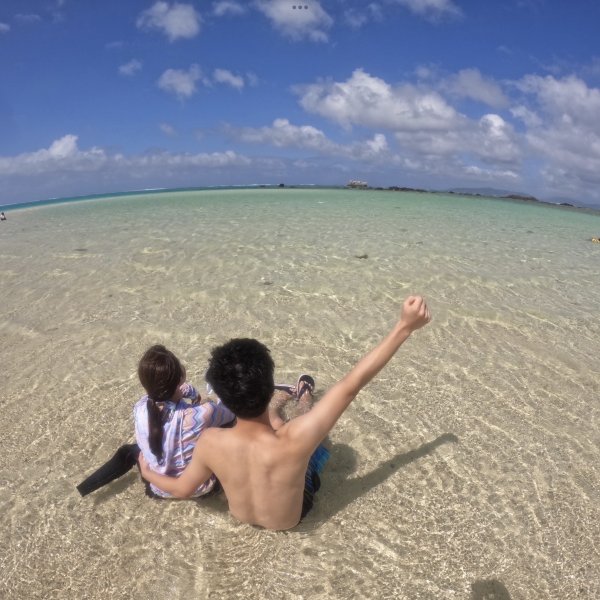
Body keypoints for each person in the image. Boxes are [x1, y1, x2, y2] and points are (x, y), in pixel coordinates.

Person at [139, 295, 431, 529]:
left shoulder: (211, 441)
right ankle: (302, 399)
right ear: (267, 386)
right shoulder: (296, 439)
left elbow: (182, 489)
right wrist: (404, 327)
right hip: (292, 519)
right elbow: (350, 385)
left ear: (223, 398)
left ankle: (278, 405)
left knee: (273, 426)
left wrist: (148, 472)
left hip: (241, 516)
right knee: (310, 434)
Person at [77, 344, 236, 497]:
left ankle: (84, 489)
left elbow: (167, 403)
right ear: (181, 376)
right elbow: (231, 413)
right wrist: (209, 399)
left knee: (128, 451)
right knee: (227, 426)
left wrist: (187, 391)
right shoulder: (203, 413)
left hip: (156, 487)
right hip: (198, 488)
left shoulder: (140, 407)